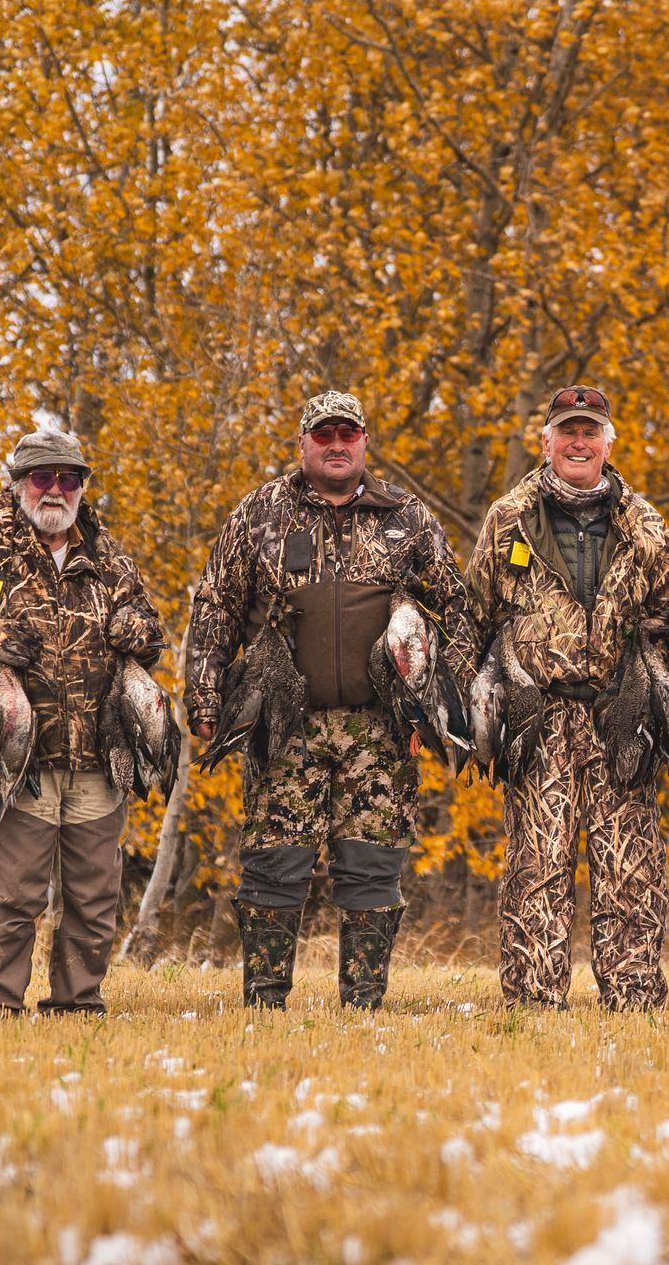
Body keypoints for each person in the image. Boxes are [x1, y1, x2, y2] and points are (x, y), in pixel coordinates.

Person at [187, 391, 474, 1010]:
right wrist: (205, 699)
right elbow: (216, 606)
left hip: (382, 725)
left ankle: (363, 1000)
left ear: (365, 442)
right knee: (274, 861)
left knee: (372, 864)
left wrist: (445, 702)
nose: (337, 444)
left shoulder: (407, 517)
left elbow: (456, 609)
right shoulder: (261, 514)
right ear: (303, 444)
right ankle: (265, 999)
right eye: (324, 435)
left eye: (348, 433)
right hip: (282, 721)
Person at [0, 428, 166, 1015]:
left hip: (100, 757)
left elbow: (151, 632)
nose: (55, 490)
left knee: (94, 897)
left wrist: (139, 634)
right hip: (12, 761)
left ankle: (77, 1004)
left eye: (68, 478)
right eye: (43, 478)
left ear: (81, 487)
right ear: (19, 484)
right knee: (16, 893)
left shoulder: (109, 555)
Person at [465, 385, 669, 1010]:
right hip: (541, 716)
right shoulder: (508, 518)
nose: (579, 442)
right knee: (538, 868)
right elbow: (478, 617)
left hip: (623, 713)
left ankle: (634, 1000)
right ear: (547, 442)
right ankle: (533, 1003)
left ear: (610, 442)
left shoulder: (644, 523)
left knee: (630, 869)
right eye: (567, 431)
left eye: (590, 431)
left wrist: (649, 693)